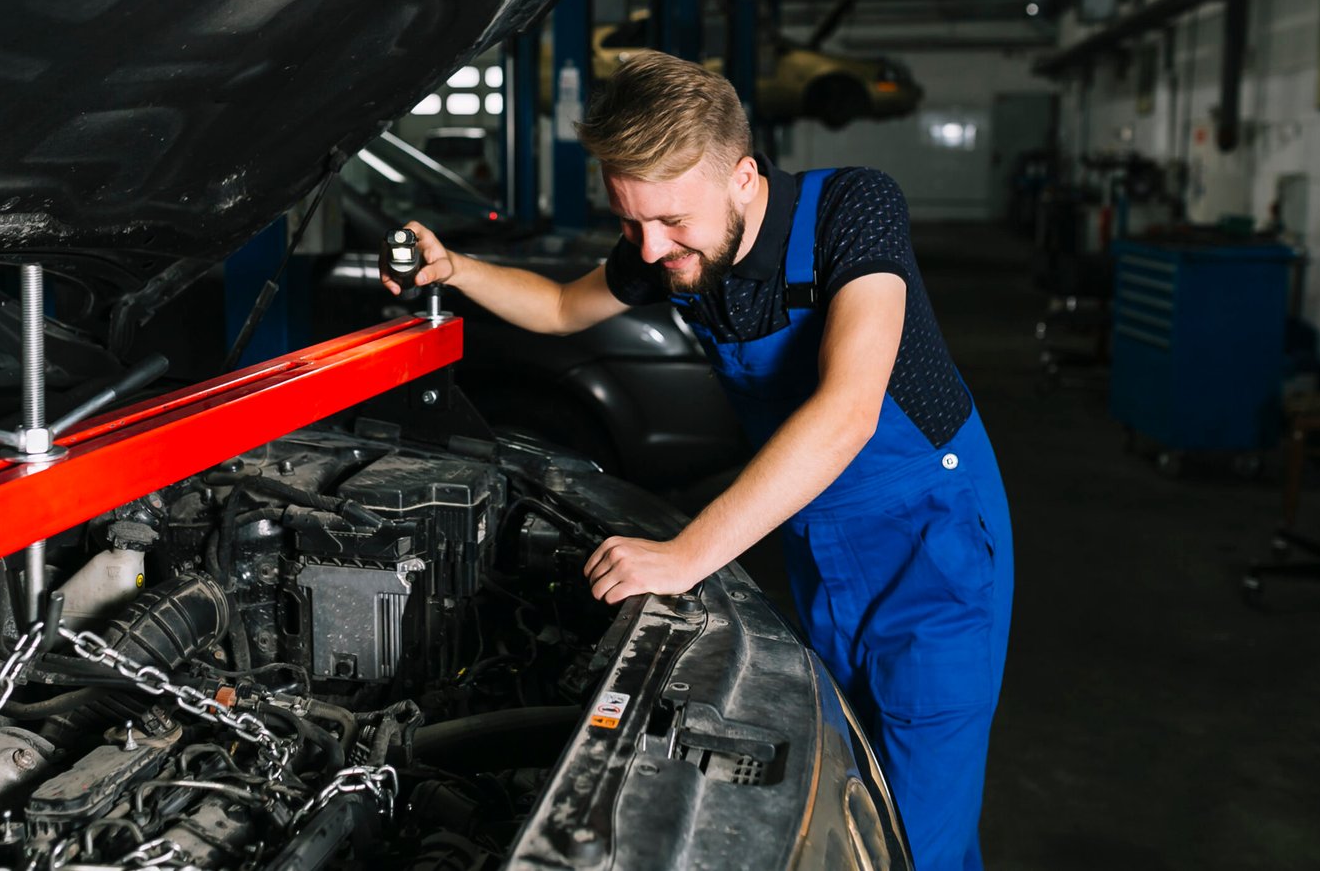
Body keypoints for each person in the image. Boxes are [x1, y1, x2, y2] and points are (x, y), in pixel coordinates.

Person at [381, 52, 1013, 871]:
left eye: (671, 221)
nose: (650, 248)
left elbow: (849, 409)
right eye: (630, 222)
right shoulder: (672, 243)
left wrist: (685, 553)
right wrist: (458, 269)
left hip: (931, 546)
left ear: (743, 177)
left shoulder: (852, 211)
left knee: (919, 834)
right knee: (851, 788)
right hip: (821, 545)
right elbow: (563, 306)